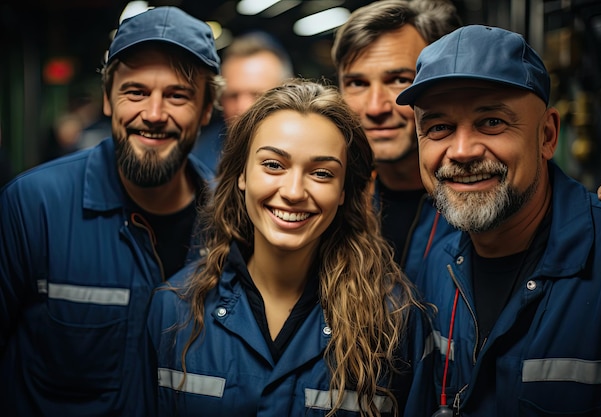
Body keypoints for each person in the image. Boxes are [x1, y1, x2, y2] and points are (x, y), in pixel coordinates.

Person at [147, 79, 435, 416]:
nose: (294, 191)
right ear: (242, 174)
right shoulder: (174, 309)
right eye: (273, 165)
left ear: (344, 191)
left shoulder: (394, 322)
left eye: (322, 173)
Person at [0, 7, 223, 416]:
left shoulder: (231, 225)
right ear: (107, 98)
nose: (154, 115)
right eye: (135, 92)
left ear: (207, 110)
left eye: (178, 95)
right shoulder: (34, 206)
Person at [396, 25, 601, 416]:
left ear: (547, 135)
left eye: (491, 122)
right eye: (438, 128)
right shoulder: (436, 266)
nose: (463, 151)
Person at [331, 0, 462, 277]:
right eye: (357, 83)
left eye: (400, 80)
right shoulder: (334, 205)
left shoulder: (483, 204)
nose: (376, 107)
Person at [193, 31, 293, 172]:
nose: (243, 107)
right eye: (232, 96)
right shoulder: (198, 161)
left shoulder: (315, 151)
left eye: (257, 95)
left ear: (287, 94)